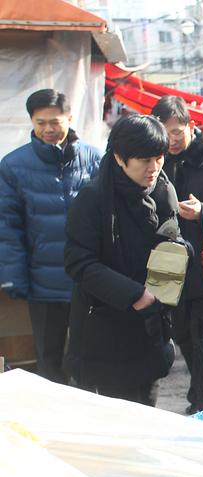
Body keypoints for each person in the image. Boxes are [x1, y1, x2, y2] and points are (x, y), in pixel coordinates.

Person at [64, 114, 182, 405]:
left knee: (148, 415)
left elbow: (172, 244)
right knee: (119, 423)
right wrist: (134, 294)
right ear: (119, 157)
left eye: (159, 158)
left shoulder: (164, 191)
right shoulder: (92, 199)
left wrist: (178, 255)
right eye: (144, 160)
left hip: (150, 327)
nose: (153, 168)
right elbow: (79, 263)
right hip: (107, 330)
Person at [0, 88, 101, 384]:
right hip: (42, 283)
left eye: (55, 122)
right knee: (49, 359)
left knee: (91, 356)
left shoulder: (95, 159)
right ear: (31, 121)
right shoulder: (12, 166)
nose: (48, 129)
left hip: (89, 279)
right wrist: (14, 278)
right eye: (40, 122)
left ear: (70, 118)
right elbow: (7, 227)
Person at [151, 95, 203, 412]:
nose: (171, 139)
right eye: (164, 131)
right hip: (166, 263)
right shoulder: (154, 160)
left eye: (176, 131)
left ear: (192, 126)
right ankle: (200, 395)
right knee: (180, 332)